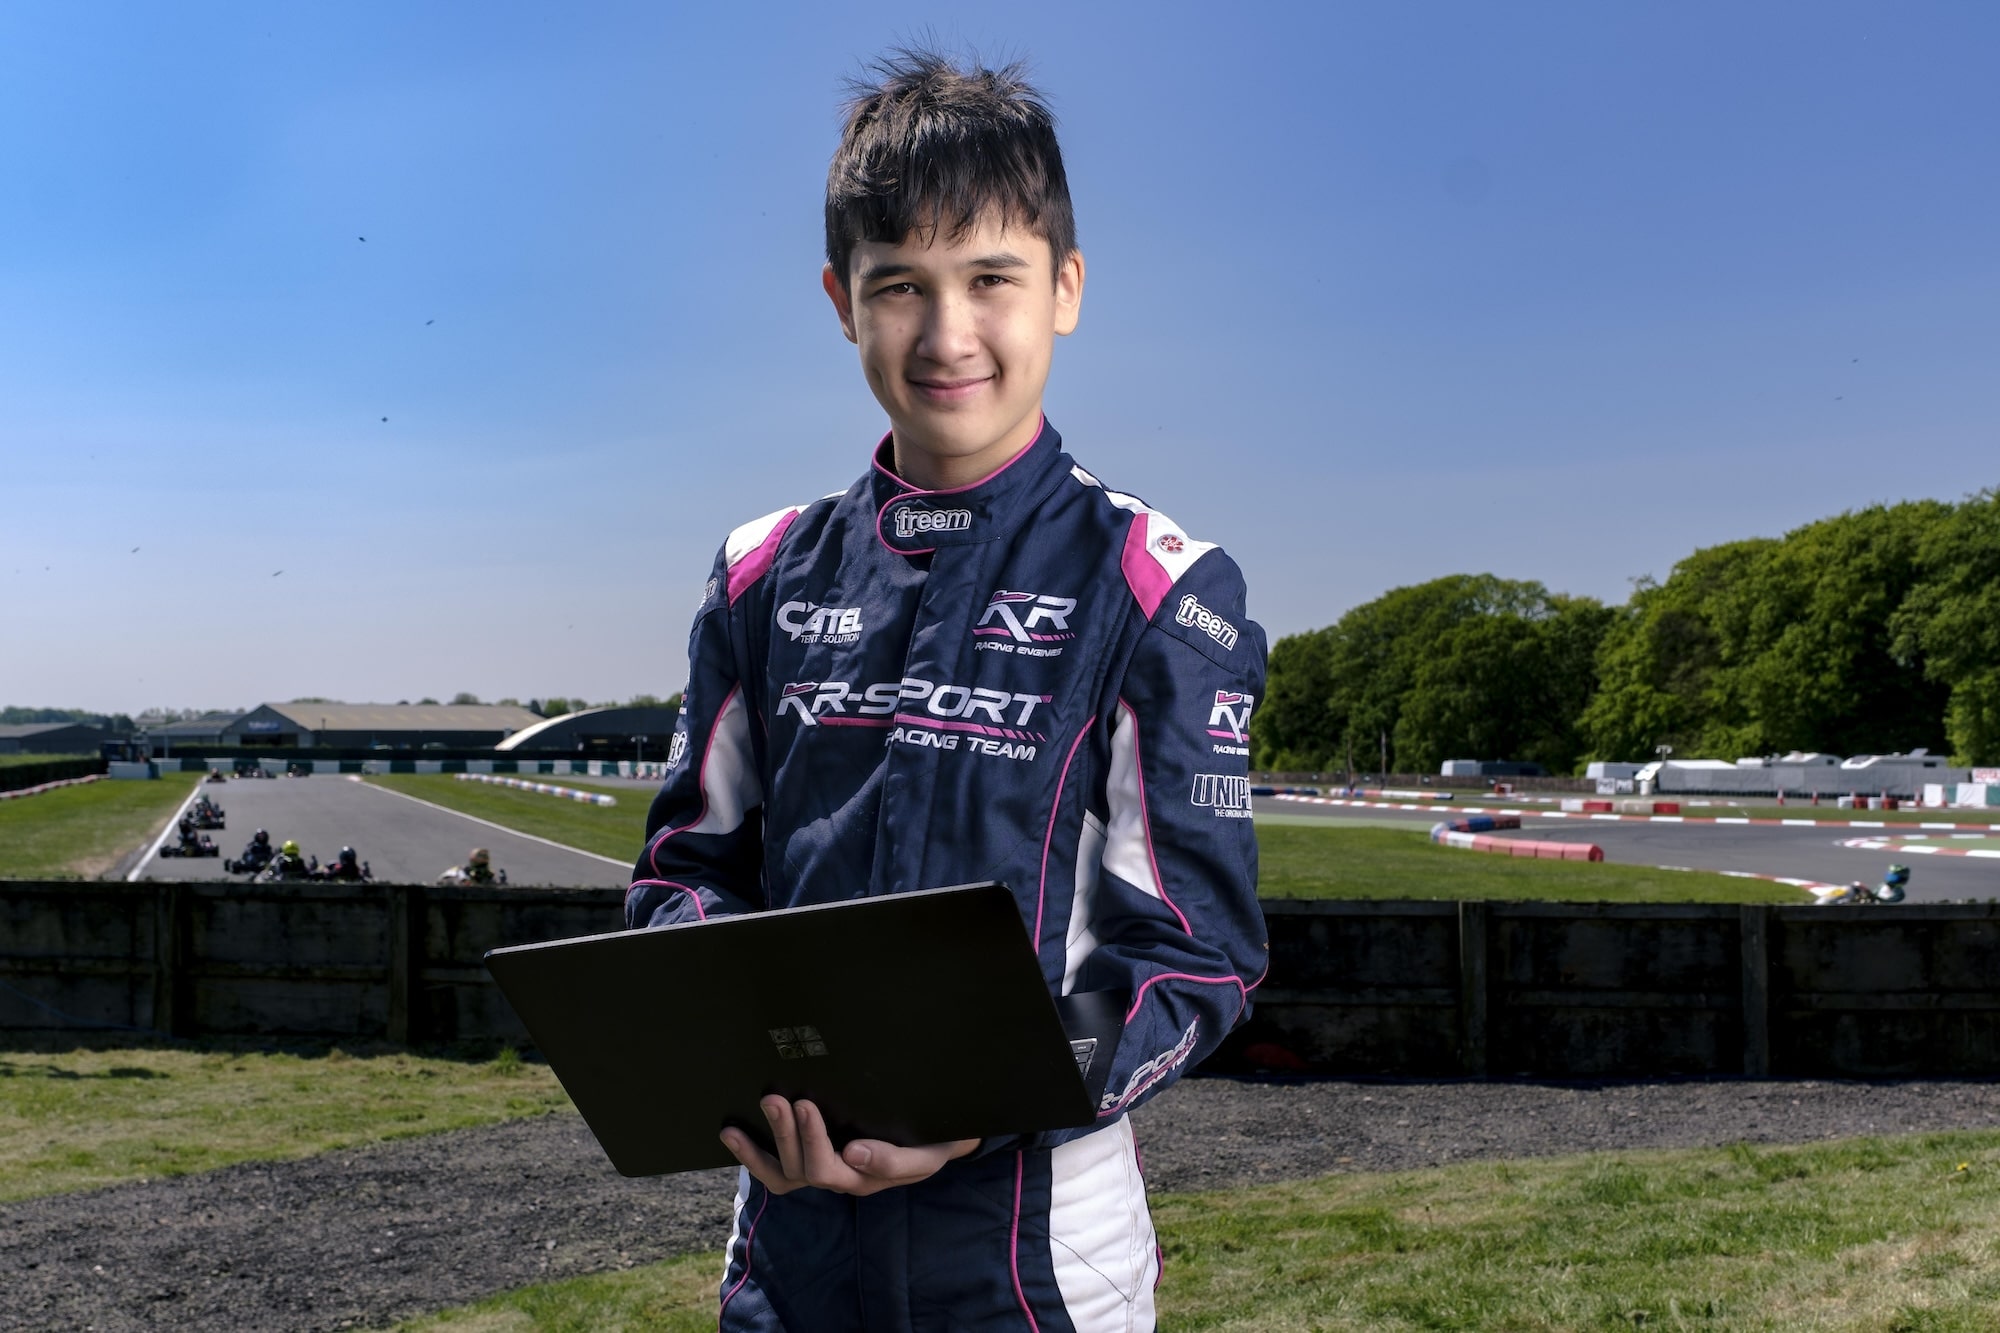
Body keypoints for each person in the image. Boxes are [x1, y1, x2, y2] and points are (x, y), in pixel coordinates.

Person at [625, 49, 1266, 1332]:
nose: (946, 334)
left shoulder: (1158, 584)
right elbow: (687, 872)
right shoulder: (758, 571)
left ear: (1065, 288)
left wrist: (978, 1107)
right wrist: (737, 1067)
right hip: (788, 1246)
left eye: (990, 280)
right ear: (840, 301)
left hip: (1034, 1259)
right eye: (898, 286)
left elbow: (1195, 957)